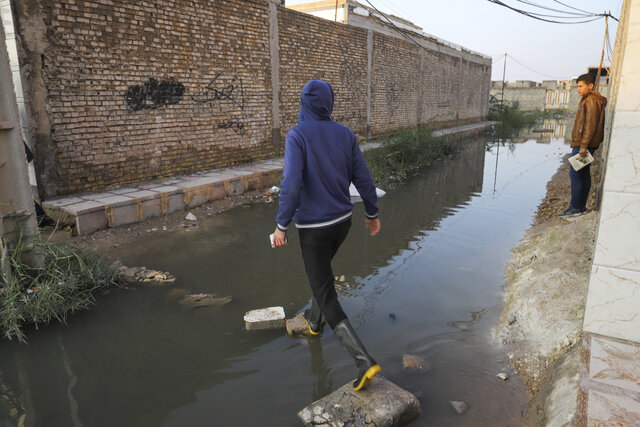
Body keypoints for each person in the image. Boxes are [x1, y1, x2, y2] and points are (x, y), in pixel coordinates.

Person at [272, 80, 382, 391]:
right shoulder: (345, 134)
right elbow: (363, 177)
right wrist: (372, 213)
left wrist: (282, 224)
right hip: (343, 223)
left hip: (314, 229)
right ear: (328, 103)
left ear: (303, 104)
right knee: (322, 278)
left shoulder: (297, 135)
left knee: (324, 290)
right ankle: (315, 323)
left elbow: (291, 183)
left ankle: (364, 362)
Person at [558, 73, 607, 217]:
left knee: (576, 174)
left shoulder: (590, 100)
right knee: (583, 174)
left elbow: (590, 126)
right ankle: (581, 207)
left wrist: (583, 146)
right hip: (586, 144)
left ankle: (575, 208)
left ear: (590, 86)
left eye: (580, 86)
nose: (578, 89)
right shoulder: (590, 99)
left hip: (583, 145)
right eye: (577, 86)